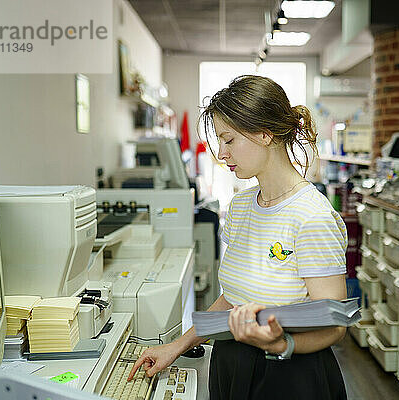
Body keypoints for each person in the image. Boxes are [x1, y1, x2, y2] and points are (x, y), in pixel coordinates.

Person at [128, 75, 348, 399]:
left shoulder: (312, 216)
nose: (221, 152)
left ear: (264, 133)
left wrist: (283, 343)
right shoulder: (242, 205)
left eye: (228, 140)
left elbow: (335, 324)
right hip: (232, 364)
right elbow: (232, 298)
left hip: (289, 375)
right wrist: (176, 346)